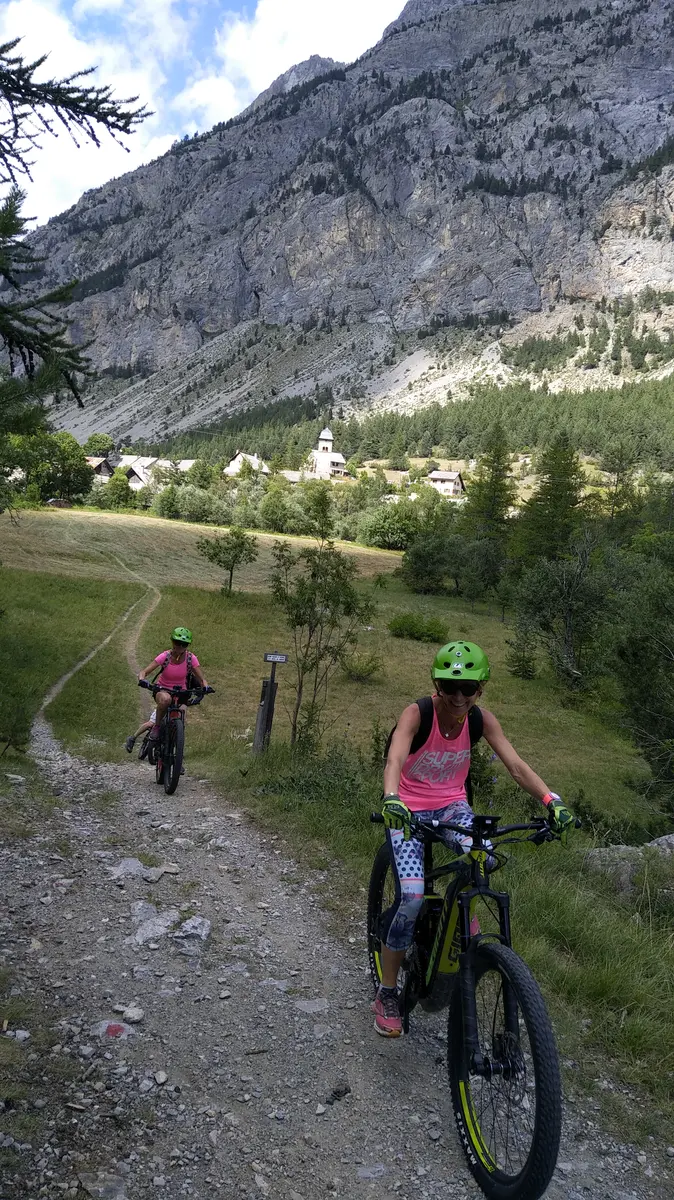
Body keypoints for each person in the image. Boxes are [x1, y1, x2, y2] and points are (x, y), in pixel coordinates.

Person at [373, 640, 577, 1038]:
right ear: (437, 685)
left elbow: (515, 766)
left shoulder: (482, 720)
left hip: (452, 807)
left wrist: (551, 801)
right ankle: (387, 992)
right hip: (407, 808)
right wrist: (391, 797)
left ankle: (457, 921)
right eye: (449, 686)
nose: (458, 696)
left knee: (484, 857)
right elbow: (395, 757)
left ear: (480, 688)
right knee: (411, 896)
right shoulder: (418, 713)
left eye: (468, 688)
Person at [137, 626, 210, 741]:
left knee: (182, 712)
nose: (180, 647)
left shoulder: (191, 658)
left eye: (184, 644)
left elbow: (201, 679)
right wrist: (142, 679)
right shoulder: (165, 656)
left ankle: (176, 741)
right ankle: (157, 727)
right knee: (166, 700)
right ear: (172, 642)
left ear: (187, 645)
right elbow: (144, 672)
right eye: (177, 643)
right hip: (163, 689)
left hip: (181, 692)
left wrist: (205, 687)